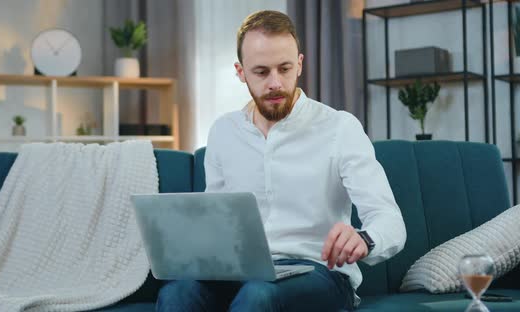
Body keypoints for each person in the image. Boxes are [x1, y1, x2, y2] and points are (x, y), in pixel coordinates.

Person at [156, 10, 406, 312]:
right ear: (241, 72)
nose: (275, 83)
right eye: (261, 72)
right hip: (241, 273)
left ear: (299, 64)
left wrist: (365, 238)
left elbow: (390, 222)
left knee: (259, 295)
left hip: (318, 272)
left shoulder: (340, 127)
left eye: (284, 69)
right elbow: (217, 221)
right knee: (176, 294)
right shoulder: (224, 131)